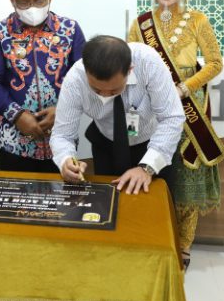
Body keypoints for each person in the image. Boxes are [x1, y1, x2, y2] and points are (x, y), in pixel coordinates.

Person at [128, 0, 224, 270]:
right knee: (156, 176)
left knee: (185, 182)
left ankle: (183, 247)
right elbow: (129, 65)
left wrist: (185, 87)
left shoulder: (198, 20)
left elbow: (214, 63)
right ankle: (156, 238)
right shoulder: (140, 23)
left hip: (188, 110)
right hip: (150, 109)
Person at [0, 0, 85, 172]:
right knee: (17, 203)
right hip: (15, 143)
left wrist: (62, 111)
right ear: (13, 0)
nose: (33, 8)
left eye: (39, 1)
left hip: (62, 140)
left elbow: (84, 77)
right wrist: (17, 116)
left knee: (65, 202)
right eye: (24, 3)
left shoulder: (70, 30)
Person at [50, 35, 185, 195]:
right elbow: (62, 134)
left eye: (114, 90)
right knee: (109, 201)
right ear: (86, 71)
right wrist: (66, 160)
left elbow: (171, 117)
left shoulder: (148, 62)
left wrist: (147, 168)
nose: (106, 96)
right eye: (97, 90)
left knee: (155, 203)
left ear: (130, 70)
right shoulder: (75, 79)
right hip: (106, 145)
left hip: (153, 144)